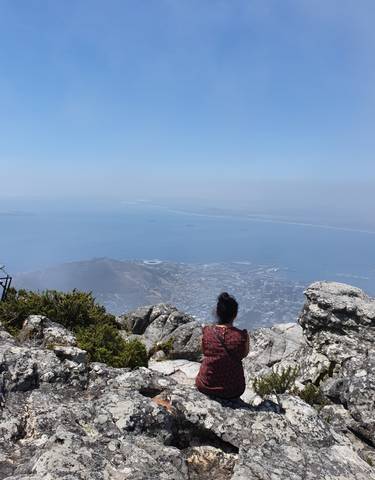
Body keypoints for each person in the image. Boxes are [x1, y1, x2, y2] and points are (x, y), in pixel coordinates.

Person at [195, 292, 249, 400]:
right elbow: (244, 354)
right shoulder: (242, 336)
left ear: (217, 312)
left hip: (206, 385)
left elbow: (204, 351)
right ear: (235, 315)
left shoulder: (207, 332)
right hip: (234, 390)